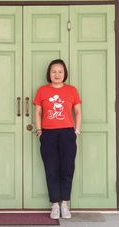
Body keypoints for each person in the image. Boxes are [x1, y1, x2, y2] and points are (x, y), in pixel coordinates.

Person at [33, 59, 82, 219]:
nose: (57, 74)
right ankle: (55, 204)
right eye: (54, 71)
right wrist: (40, 130)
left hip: (67, 134)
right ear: (49, 73)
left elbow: (78, 112)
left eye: (60, 71)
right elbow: (38, 113)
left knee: (67, 169)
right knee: (51, 170)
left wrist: (76, 131)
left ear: (64, 73)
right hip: (48, 134)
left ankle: (65, 205)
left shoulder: (72, 90)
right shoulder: (42, 91)